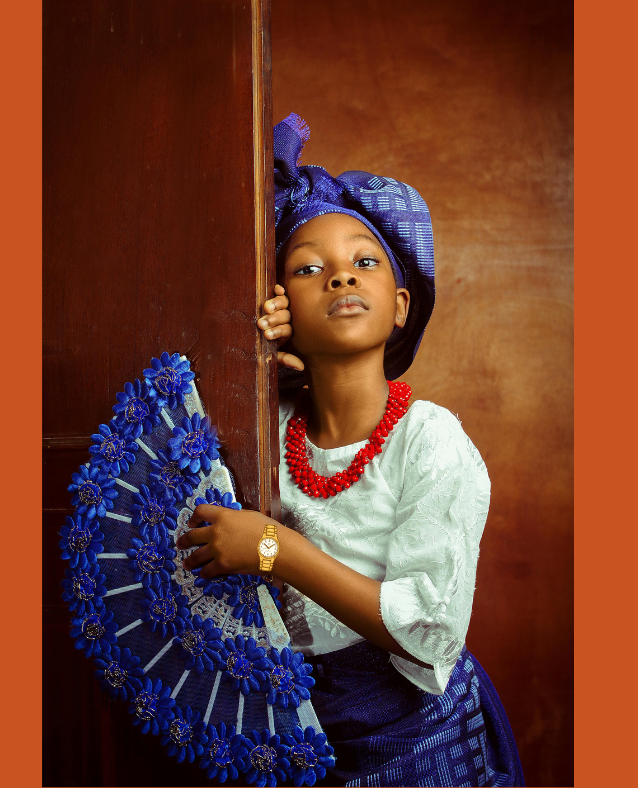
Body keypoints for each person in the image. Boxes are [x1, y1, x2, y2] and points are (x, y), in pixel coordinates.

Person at [177, 114, 524, 787]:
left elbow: (428, 627)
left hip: (413, 733)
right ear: (280, 306)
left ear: (399, 306)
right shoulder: (261, 426)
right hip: (295, 725)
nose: (340, 278)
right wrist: (247, 347)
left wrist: (275, 548)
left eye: (363, 262)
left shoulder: (431, 440)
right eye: (308, 269)